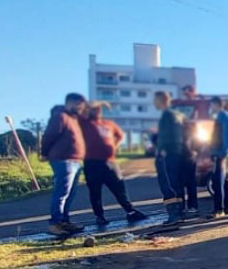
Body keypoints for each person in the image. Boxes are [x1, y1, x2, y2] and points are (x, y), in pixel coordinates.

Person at [79, 103, 148, 225]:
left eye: (100, 109)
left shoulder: (109, 124)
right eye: (95, 109)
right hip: (92, 163)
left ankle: (130, 211)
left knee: (119, 188)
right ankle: (100, 216)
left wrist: (114, 145)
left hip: (110, 162)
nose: (98, 111)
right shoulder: (84, 123)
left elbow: (120, 135)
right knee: (95, 191)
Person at [40, 93, 87, 235]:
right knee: (62, 192)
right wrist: (44, 153)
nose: (81, 108)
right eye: (80, 105)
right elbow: (49, 136)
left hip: (76, 161)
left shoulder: (73, 119)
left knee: (70, 193)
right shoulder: (60, 116)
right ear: (71, 103)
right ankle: (55, 223)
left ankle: (64, 221)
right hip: (64, 160)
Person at [154, 91, 189, 223]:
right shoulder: (177, 115)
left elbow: (166, 136)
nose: (154, 103)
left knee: (169, 184)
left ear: (161, 100)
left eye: (155, 99)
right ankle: (180, 212)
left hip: (168, 154)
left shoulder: (167, 115)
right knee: (177, 184)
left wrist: (162, 150)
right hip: (177, 153)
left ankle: (174, 215)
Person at [208, 97, 228, 218]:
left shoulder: (224, 117)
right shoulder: (222, 117)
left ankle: (219, 209)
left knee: (218, 182)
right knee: (224, 181)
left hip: (222, 154)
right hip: (220, 153)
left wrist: (223, 153)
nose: (211, 108)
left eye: (212, 105)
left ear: (217, 104)